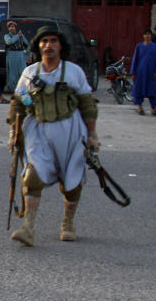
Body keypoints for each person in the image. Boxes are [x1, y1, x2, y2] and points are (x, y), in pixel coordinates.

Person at [7, 26, 98, 247]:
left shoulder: (73, 72)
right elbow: (18, 104)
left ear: (61, 45)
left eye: (53, 41)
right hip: (38, 131)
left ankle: (68, 223)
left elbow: (87, 104)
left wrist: (92, 134)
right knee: (31, 178)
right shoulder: (30, 73)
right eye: (44, 41)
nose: (48, 45)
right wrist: (13, 133)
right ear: (38, 46)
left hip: (70, 132)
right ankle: (28, 228)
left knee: (72, 182)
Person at [130, 29, 156, 116]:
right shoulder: (139, 46)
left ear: (151, 36)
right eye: (145, 34)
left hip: (151, 73)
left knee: (153, 91)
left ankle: (154, 109)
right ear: (143, 36)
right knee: (138, 90)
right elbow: (135, 60)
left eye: (149, 34)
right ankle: (140, 108)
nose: (147, 36)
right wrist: (133, 72)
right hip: (140, 72)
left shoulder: (155, 47)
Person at [4, 20, 28, 93]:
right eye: (11, 27)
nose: (12, 28)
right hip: (11, 55)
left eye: (13, 26)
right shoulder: (7, 36)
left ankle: (22, 88)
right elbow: (9, 42)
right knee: (12, 74)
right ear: (8, 28)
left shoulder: (20, 35)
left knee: (22, 71)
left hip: (20, 55)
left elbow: (27, 44)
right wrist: (17, 36)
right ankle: (12, 89)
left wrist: (29, 55)